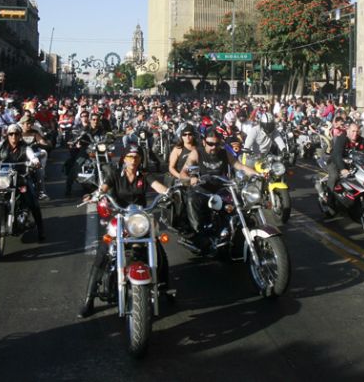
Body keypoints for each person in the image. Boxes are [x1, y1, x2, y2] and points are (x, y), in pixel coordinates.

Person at [78, 143, 171, 318]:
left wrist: (168, 192)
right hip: (120, 217)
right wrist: (96, 195)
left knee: (158, 246)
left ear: (141, 159)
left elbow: (158, 186)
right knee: (104, 252)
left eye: (136, 157)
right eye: (130, 156)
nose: (133, 160)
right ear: (124, 158)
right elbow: (104, 187)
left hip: (140, 218)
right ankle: (89, 299)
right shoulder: (115, 174)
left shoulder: (144, 175)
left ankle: (165, 287)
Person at [178, 127, 262, 253]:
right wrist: (191, 179)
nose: (213, 147)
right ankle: (199, 236)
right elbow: (183, 172)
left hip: (222, 187)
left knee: (241, 203)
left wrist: (258, 174)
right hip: (202, 188)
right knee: (192, 199)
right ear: (204, 142)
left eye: (216, 144)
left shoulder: (224, 153)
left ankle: (238, 231)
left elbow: (239, 166)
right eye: (210, 144)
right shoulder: (197, 152)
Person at [0, 124, 45, 241]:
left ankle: (41, 229)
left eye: (16, 134)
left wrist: (35, 161)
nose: (13, 137)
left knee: (32, 200)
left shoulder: (25, 147)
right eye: (11, 134)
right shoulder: (1, 145)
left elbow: (32, 156)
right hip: (1, 176)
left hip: (20, 176)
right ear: (7, 135)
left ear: (20, 135)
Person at [321, 122, 364, 207]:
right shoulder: (342, 139)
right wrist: (342, 169)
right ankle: (329, 199)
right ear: (348, 131)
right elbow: (337, 155)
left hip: (351, 163)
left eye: (357, 131)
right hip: (335, 161)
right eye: (353, 131)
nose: (355, 134)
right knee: (334, 176)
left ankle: (352, 195)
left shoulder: (361, 140)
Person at [65, 112, 108, 195]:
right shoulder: (86, 129)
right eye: (94, 119)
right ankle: (68, 187)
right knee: (77, 166)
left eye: (97, 120)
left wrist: (111, 138)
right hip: (86, 150)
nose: (95, 121)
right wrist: (75, 140)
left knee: (109, 163)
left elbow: (108, 135)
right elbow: (78, 136)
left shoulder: (102, 129)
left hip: (99, 150)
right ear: (90, 120)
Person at [20, 116, 52, 200]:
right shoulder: (17, 133)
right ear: (22, 124)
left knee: (39, 171)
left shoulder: (34, 133)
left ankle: (42, 192)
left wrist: (42, 144)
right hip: (20, 157)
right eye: (27, 123)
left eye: (30, 123)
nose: (29, 125)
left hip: (34, 156)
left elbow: (43, 142)